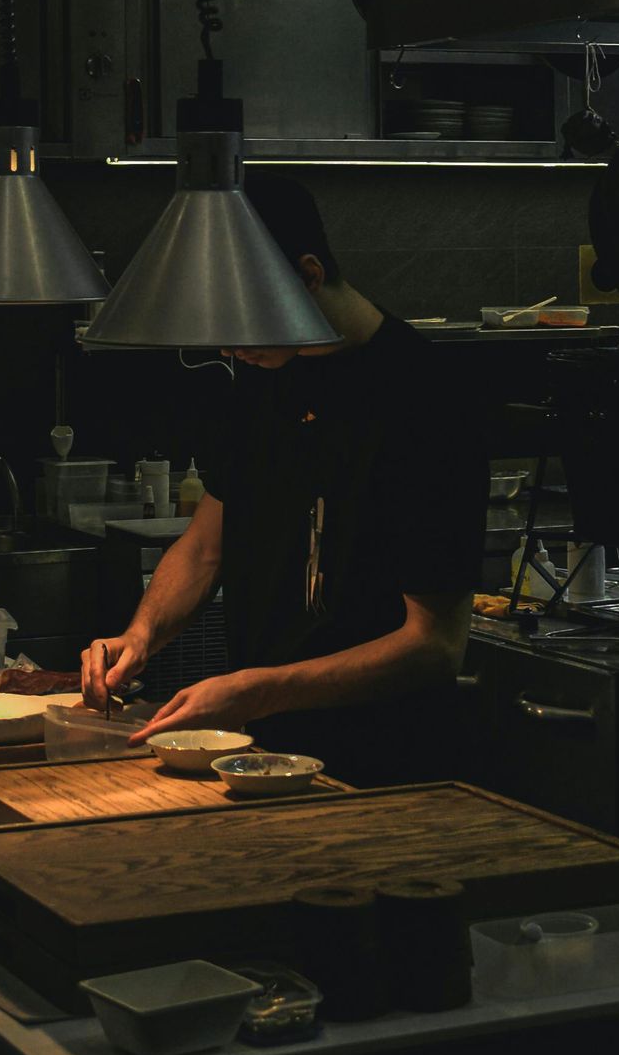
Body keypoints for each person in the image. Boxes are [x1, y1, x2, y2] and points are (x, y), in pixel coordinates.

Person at [80, 180, 487, 786]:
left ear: (308, 274)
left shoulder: (425, 397)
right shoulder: (266, 375)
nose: (227, 343)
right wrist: (140, 635)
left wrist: (258, 691)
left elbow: (434, 646)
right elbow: (204, 546)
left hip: (381, 765)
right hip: (263, 754)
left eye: (242, 318)